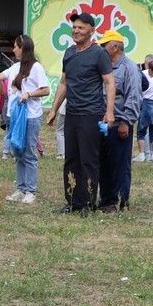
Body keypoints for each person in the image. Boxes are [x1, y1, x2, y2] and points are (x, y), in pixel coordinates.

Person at [45, 12, 115, 214]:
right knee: (71, 159)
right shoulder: (69, 53)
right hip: (72, 114)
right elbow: (64, 83)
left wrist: (109, 111)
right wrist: (53, 110)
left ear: (92, 31)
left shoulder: (99, 53)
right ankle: (73, 202)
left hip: (91, 113)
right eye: (74, 27)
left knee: (88, 160)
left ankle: (88, 203)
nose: (76, 30)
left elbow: (109, 82)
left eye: (81, 27)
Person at [97, 31, 142, 212]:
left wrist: (126, 121)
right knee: (104, 162)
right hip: (102, 123)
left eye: (104, 45)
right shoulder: (105, 67)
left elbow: (134, 96)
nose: (101, 49)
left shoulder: (129, 68)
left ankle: (121, 199)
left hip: (120, 123)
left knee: (120, 164)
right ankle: (107, 199)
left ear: (114, 46)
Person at [1, 35, 48, 204]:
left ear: (23, 48)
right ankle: (21, 188)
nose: (13, 50)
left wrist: (29, 94)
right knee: (18, 151)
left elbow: (46, 90)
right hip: (17, 115)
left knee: (29, 151)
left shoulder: (36, 68)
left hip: (31, 116)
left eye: (16, 47)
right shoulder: (17, 67)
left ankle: (31, 190)